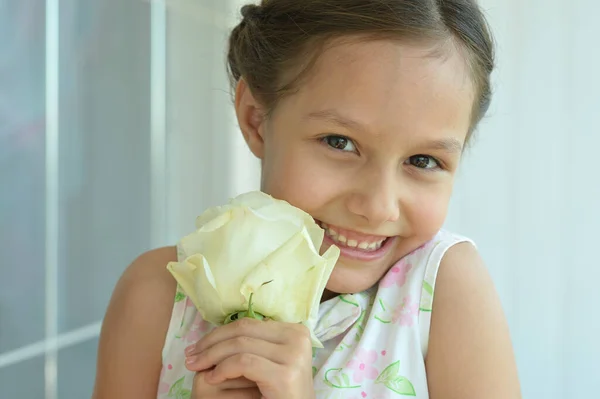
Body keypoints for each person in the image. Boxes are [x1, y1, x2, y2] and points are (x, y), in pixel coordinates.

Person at [93, 1, 521, 398]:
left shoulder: (444, 291)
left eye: (423, 160)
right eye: (340, 142)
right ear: (257, 120)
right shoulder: (157, 296)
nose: (378, 206)